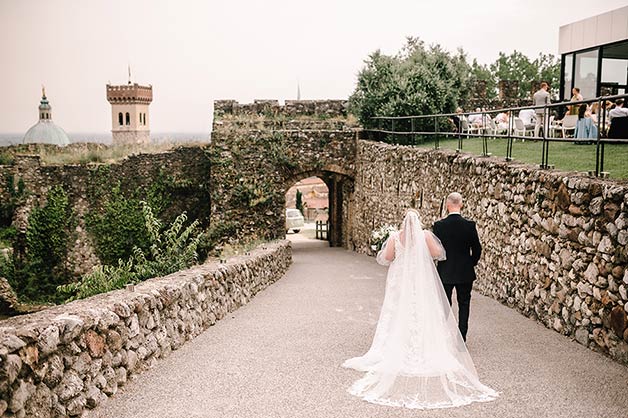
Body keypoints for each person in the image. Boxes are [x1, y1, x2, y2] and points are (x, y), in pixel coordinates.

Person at [342, 208, 498, 409]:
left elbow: (386, 258)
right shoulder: (425, 236)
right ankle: (425, 344)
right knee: (423, 311)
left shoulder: (394, 237)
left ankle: (398, 344)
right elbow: (439, 254)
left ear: (403, 222)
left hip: (400, 281)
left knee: (399, 311)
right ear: (418, 222)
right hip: (421, 280)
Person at [432, 193, 481, 342]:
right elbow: (477, 249)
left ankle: (444, 337)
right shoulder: (469, 225)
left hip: (445, 270)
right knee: (464, 304)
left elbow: (436, 250)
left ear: (447, 205)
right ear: (461, 204)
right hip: (465, 271)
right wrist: (470, 263)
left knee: (445, 305)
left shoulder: (439, 226)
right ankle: (461, 338)